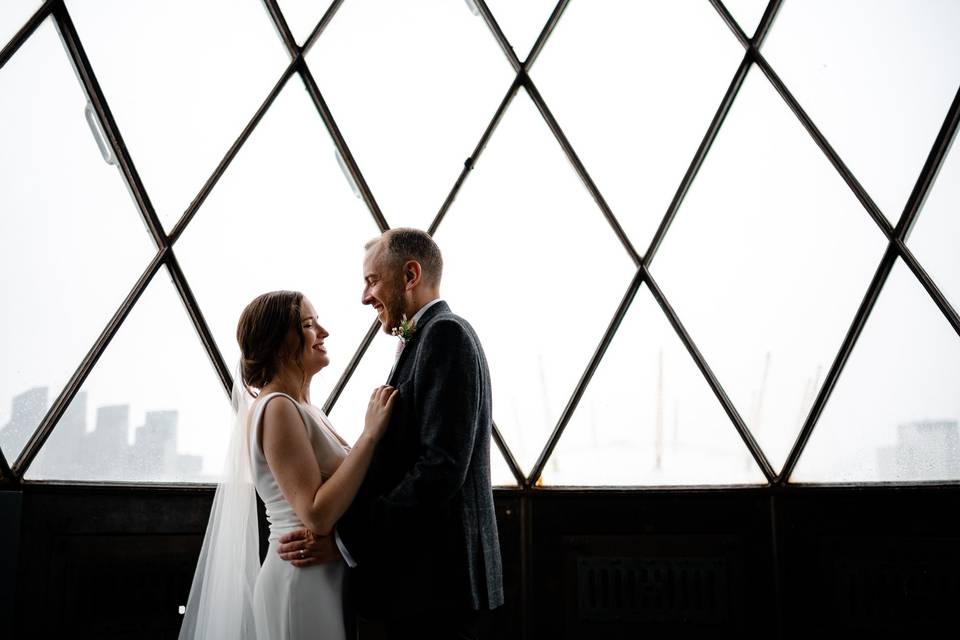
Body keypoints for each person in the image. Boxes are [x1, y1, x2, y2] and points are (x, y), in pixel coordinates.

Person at [278, 228, 503, 639]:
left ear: (410, 275)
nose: (365, 297)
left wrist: (350, 542)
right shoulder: (431, 337)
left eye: (372, 280)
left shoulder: (444, 335)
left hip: (438, 587)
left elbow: (440, 470)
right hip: (430, 585)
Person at [179, 290, 396, 639]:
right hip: (300, 580)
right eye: (309, 325)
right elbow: (315, 513)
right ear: (282, 343)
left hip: (323, 575)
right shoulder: (278, 408)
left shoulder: (306, 408)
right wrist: (369, 436)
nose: (323, 332)